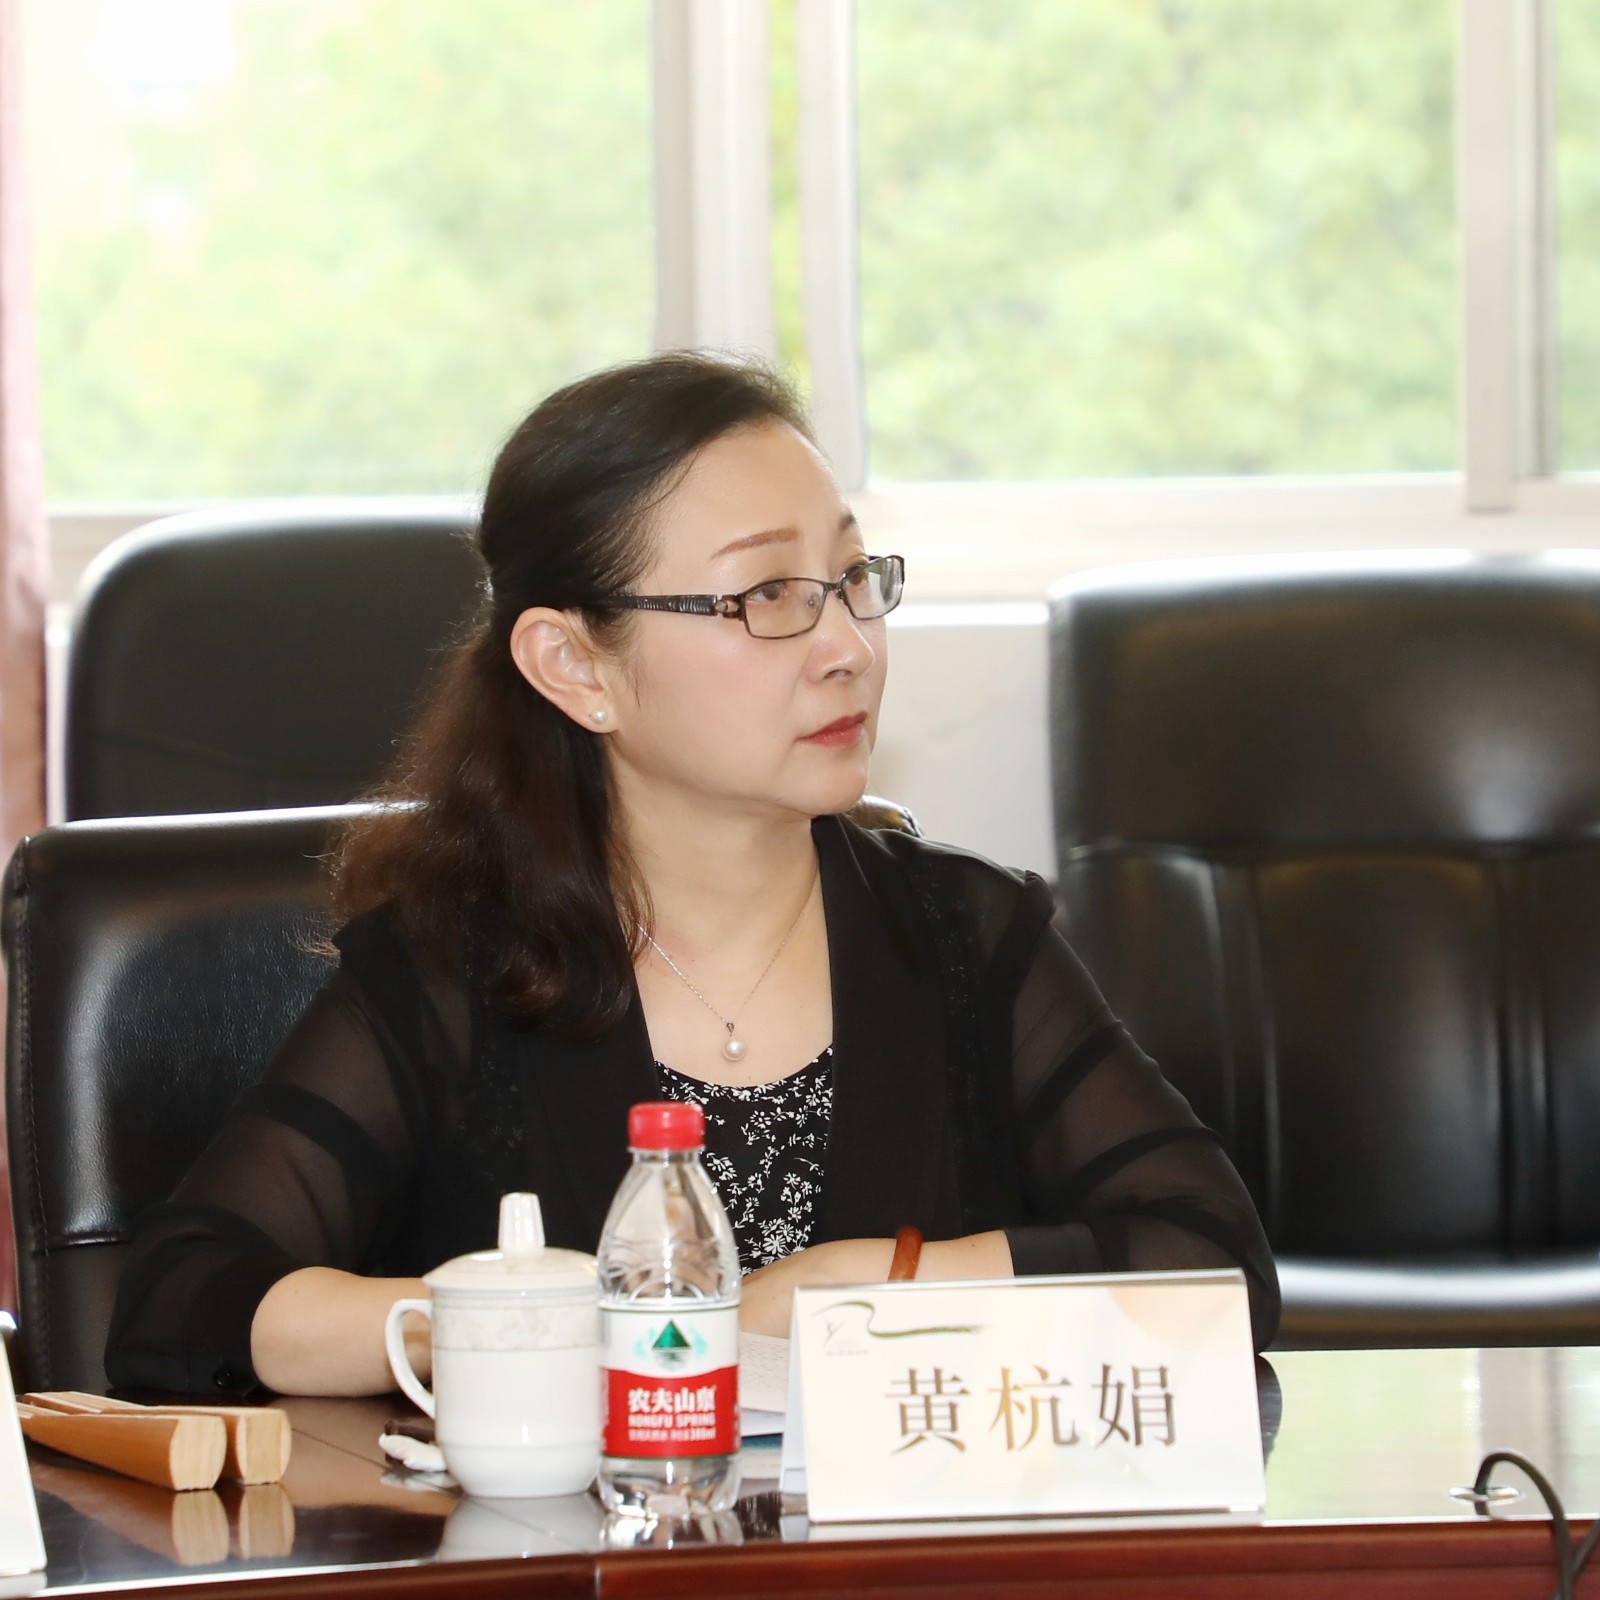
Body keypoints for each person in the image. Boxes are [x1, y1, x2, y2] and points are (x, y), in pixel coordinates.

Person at [105, 353, 1279, 1398]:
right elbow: (181, 1298)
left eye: (852, 576)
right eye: (767, 596)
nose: (846, 645)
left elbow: (1213, 1261)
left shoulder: (969, 935)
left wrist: (853, 1289)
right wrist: (559, 1326)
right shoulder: (458, 965)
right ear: (576, 666)